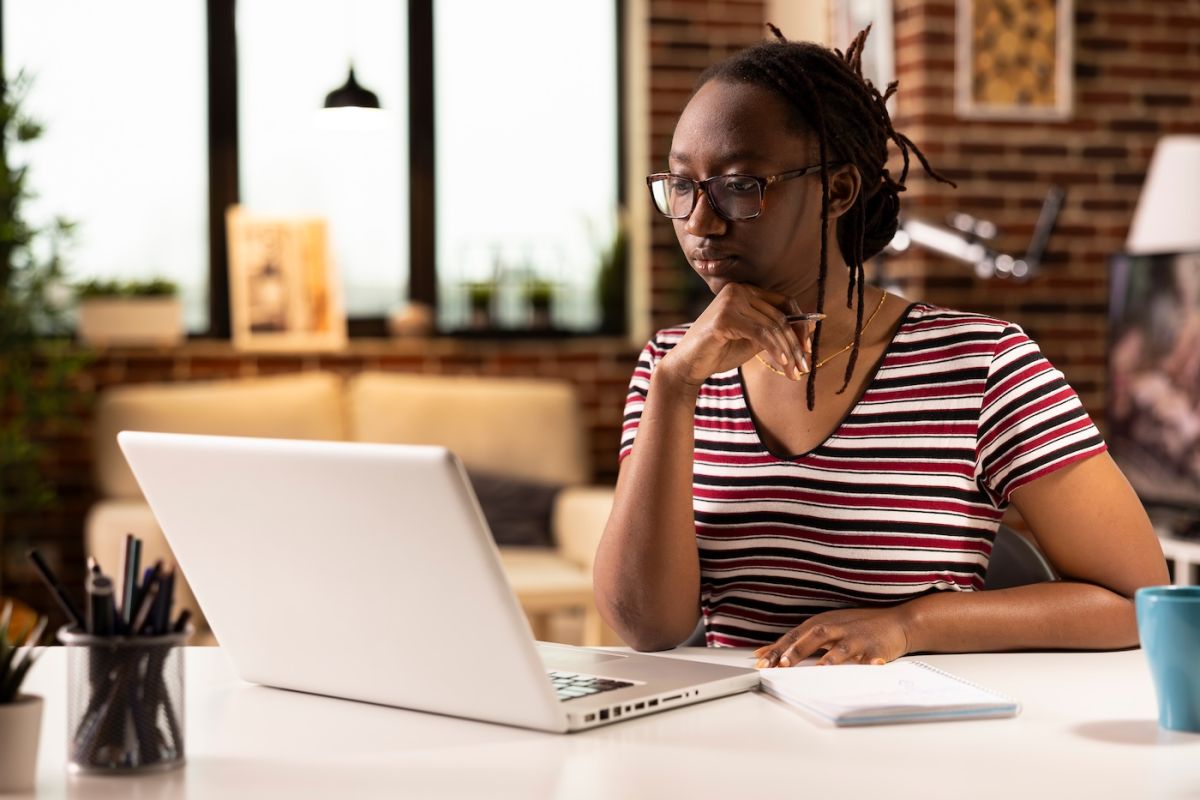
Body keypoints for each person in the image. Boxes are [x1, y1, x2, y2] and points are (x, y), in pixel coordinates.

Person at [593, 25, 1169, 668]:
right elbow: (647, 628)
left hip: (912, 747)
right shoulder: (671, 366)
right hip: (728, 743)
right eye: (682, 187)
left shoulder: (983, 365)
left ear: (837, 191)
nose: (700, 221)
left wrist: (911, 624)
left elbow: (1137, 601)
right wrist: (675, 388)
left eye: (740, 185)